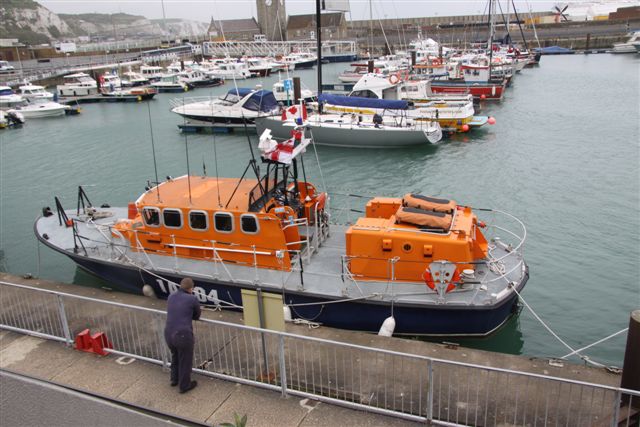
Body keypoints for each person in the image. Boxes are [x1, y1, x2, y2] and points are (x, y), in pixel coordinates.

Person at [164, 277, 201, 393]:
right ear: (191, 288)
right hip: (183, 335)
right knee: (185, 360)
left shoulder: (171, 296)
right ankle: (184, 385)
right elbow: (197, 315)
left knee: (175, 355)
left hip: (168, 333)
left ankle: (174, 379)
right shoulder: (192, 299)